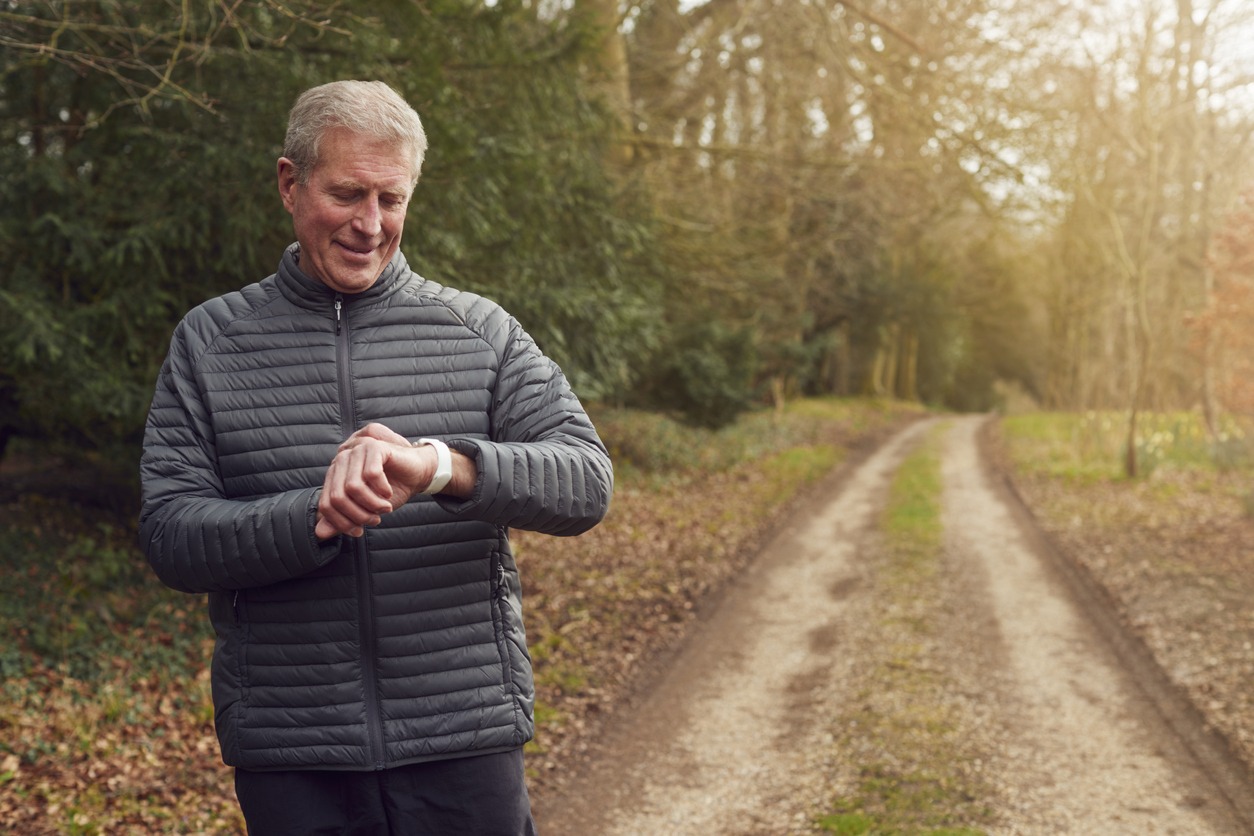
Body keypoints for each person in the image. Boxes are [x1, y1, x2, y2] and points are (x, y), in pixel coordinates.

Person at [138, 79, 613, 835]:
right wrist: (313, 518)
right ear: (290, 184)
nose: (370, 224)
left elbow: (587, 481)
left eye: (391, 200)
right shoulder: (210, 341)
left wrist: (442, 467)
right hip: (294, 755)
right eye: (348, 194)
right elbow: (170, 535)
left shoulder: (478, 332)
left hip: (464, 739)